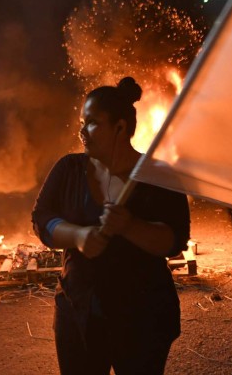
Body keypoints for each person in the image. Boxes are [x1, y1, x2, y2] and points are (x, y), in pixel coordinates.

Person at [31, 76, 190, 375]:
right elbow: (41, 219)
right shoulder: (69, 169)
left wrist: (130, 226)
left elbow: (174, 240)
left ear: (119, 127)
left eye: (92, 123)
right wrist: (78, 235)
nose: (82, 131)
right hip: (78, 313)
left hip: (143, 317)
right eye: (81, 121)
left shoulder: (159, 176)